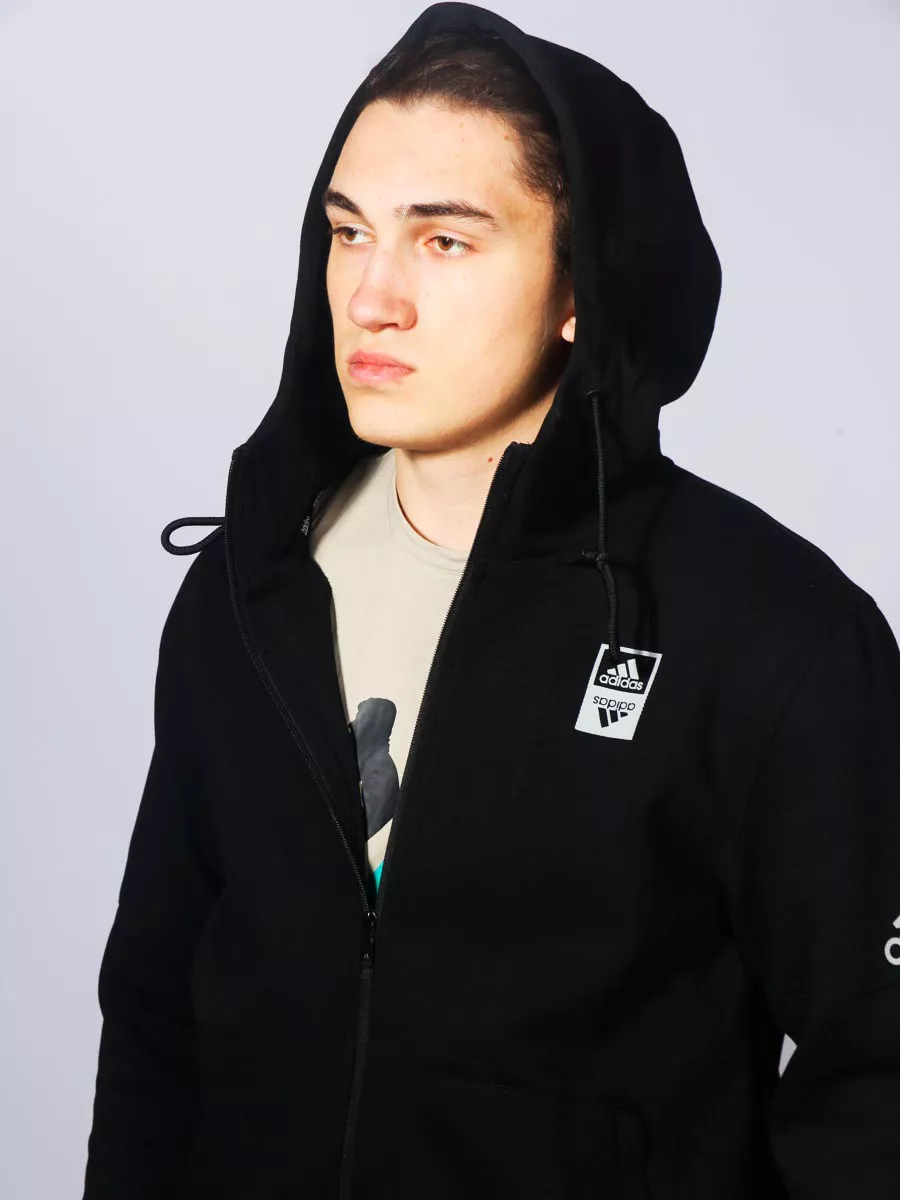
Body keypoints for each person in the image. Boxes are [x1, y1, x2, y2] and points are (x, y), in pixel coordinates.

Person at [82, 4, 900, 1198]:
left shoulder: (770, 634)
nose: (372, 297)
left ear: (584, 286)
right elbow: (154, 1013)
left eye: (446, 241)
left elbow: (877, 1073)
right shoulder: (249, 590)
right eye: (349, 232)